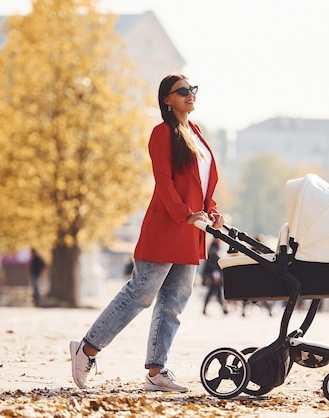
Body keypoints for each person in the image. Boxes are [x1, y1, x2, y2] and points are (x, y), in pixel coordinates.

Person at [69, 73, 224, 393]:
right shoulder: (162, 133)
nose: (190, 94)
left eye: (192, 89)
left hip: (192, 229)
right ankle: (87, 349)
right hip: (168, 226)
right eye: (182, 91)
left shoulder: (196, 133)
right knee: (140, 292)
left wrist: (212, 211)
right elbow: (164, 182)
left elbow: (203, 183)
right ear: (167, 99)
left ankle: (157, 370)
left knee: (175, 302)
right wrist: (185, 214)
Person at [202, 239, 227, 315]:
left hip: (213, 275)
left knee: (215, 293)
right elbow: (213, 264)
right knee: (215, 293)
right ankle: (224, 310)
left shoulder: (212, 250)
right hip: (215, 275)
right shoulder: (214, 251)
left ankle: (223, 309)